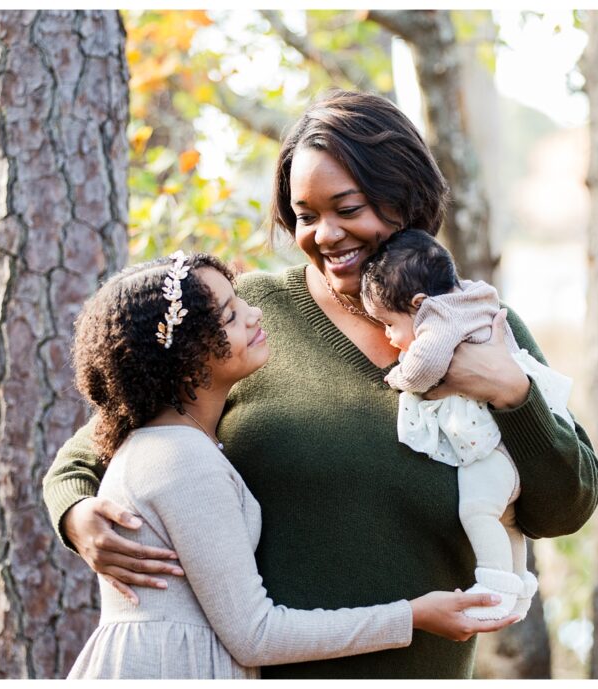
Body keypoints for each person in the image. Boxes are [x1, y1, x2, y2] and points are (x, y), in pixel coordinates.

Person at [43, 90, 598, 679]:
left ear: (403, 198)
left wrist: (513, 394)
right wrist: (78, 516)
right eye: (306, 215)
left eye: (347, 207)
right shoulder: (247, 321)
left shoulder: (483, 327)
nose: (326, 234)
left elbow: (567, 507)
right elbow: (99, 446)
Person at [64, 251, 506, 679]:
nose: (255, 314)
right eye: (230, 317)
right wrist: (412, 616)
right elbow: (256, 634)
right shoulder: (182, 460)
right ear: (183, 357)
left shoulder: (168, 444)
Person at [359, 229, 575, 623]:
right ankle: (517, 589)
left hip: (495, 446)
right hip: (512, 447)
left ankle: (495, 586)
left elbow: (426, 364)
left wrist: (400, 377)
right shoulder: (475, 296)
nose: (390, 337)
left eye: (390, 324)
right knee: (505, 518)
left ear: (419, 304)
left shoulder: (440, 316)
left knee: (477, 510)